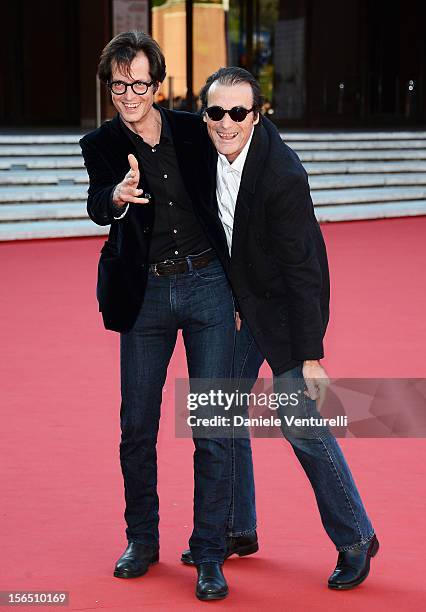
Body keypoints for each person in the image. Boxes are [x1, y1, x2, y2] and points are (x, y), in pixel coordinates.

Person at [181, 66, 379, 591]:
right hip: (245, 307)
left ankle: (356, 537)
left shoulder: (282, 175)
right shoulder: (207, 149)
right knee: (221, 411)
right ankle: (236, 527)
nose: (227, 123)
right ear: (205, 116)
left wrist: (311, 354)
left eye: (239, 113)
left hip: (289, 314)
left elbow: (304, 268)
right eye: (216, 113)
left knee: (300, 426)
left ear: (256, 115)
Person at [80, 32, 236, 601]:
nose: (127, 94)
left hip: (207, 287)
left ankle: (211, 553)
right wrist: (117, 197)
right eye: (118, 84)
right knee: (137, 426)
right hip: (144, 296)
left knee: (214, 427)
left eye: (138, 83)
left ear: (158, 85)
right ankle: (142, 540)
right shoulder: (100, 143)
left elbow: (235, 186)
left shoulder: (194, 132)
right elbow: (98, 204)